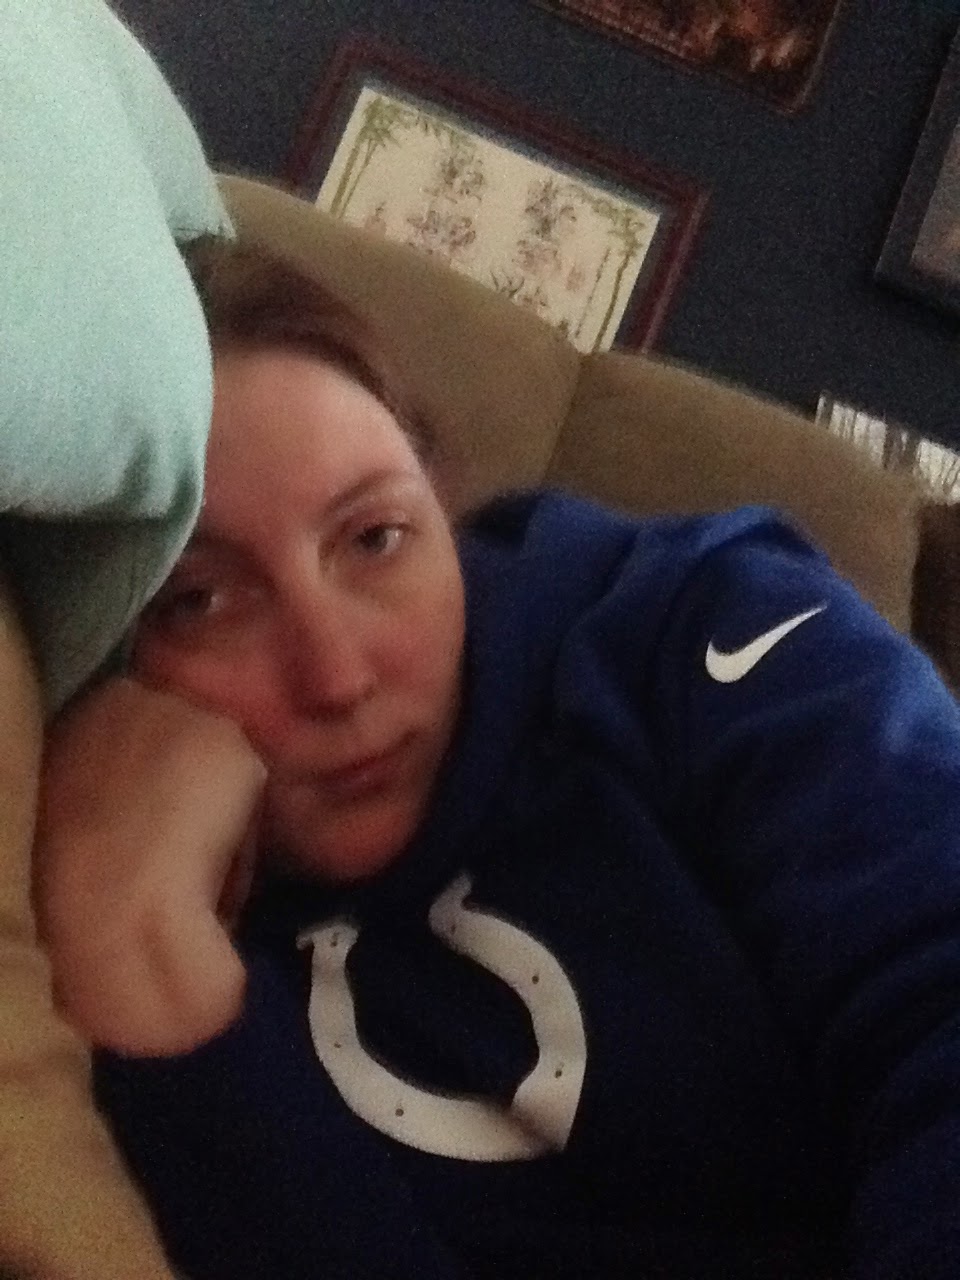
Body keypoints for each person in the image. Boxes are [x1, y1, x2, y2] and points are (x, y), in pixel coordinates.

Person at [35, 239, 960, 1280]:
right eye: (199, 600)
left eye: (376, 537)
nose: (337, 676)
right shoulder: (128, 874)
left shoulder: (701, 625)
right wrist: (138, 937)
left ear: (444, 507)